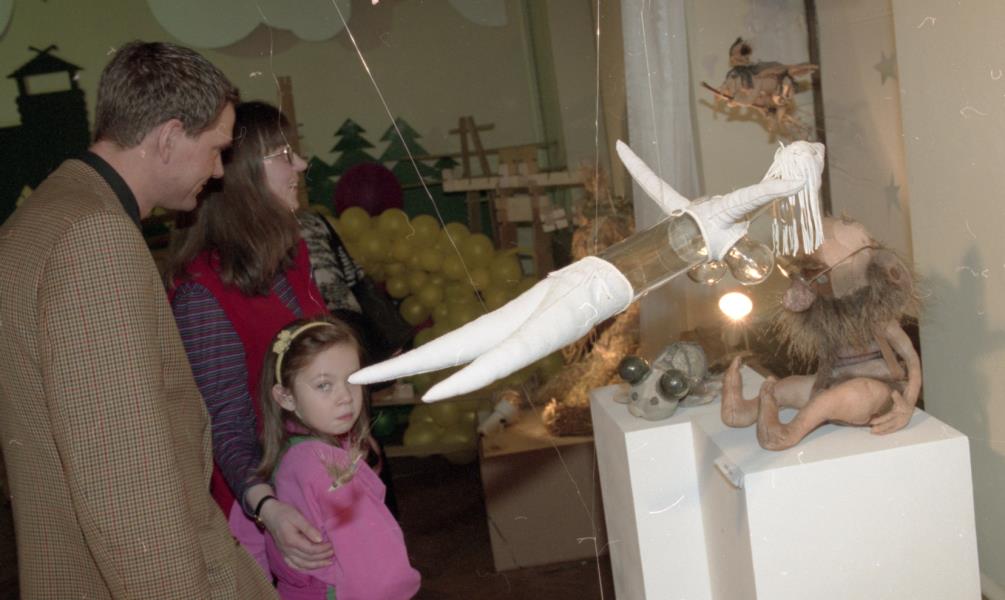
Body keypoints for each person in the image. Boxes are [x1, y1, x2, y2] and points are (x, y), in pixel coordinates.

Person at [0, 41, 276, 597]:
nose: (219, 171)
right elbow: (125, 481)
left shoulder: (39, 218)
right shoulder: (95, 237)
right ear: (169, 137)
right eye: (216, 149)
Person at [166, 100, 333, 571]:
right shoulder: (202, 292)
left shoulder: (291, 256)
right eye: (283, 154)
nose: (301, 164)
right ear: (240, 176)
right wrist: (269, 508)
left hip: (313, 483)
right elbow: (226, 425)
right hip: (261, 513)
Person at [251, 316, 420, 599]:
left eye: (352, 380)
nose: (346, 397)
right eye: (324, 385)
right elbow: (380, 574)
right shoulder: (327, 466)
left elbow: (247, 540)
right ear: (286, 397)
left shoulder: (282, 450)